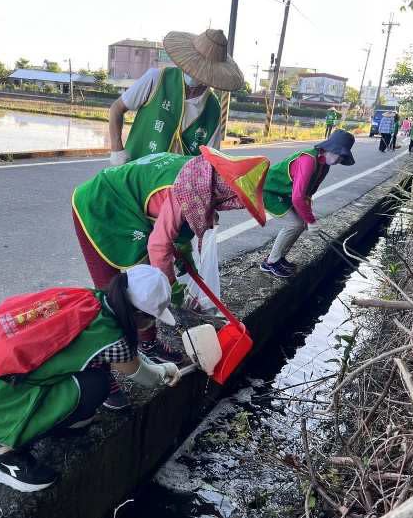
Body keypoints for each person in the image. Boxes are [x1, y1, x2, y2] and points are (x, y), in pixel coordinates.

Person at [0, 265, 181, 492]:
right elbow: (143, 376)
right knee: (96, 385)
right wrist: (164, 372)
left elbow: (124, 354)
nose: (152, 323)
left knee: (89, 372)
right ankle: (0, 456)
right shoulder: (112, 337)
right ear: (138, 315)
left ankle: (58, 422)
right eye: (152, 318)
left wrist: (161, 366)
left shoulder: (87, 299)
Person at [72, 147, 268, 407]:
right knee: (113, 299)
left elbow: (174, 232)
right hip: (99, 207)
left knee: (144, 293)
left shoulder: (201, 176)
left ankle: (148, 344)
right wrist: (170, 289)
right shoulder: (185, 189)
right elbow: (158, 246)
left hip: (129, 212)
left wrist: (185, 262)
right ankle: (103, 374)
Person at [108, 29, 244, 166]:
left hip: (177, 185)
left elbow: (211, 160)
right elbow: (117, 109)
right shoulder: (157, 79)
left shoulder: (212, 108)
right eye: (195, 66)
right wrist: (117, 149)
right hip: (137, 173)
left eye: (203, 72)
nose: (196, 74)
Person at [260, 130, 356, 278]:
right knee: (294, 224)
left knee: (301, 223)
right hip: (268, 190)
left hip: (284, 193)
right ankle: (271, 262)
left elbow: (307, 194)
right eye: (339, 154)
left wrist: (309, 218)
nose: (339, 160)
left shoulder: (324, 165)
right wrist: (311, 220)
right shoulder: (308, 160)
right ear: (330, 148)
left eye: (343, 156)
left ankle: (279, 258)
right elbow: (298, 198)